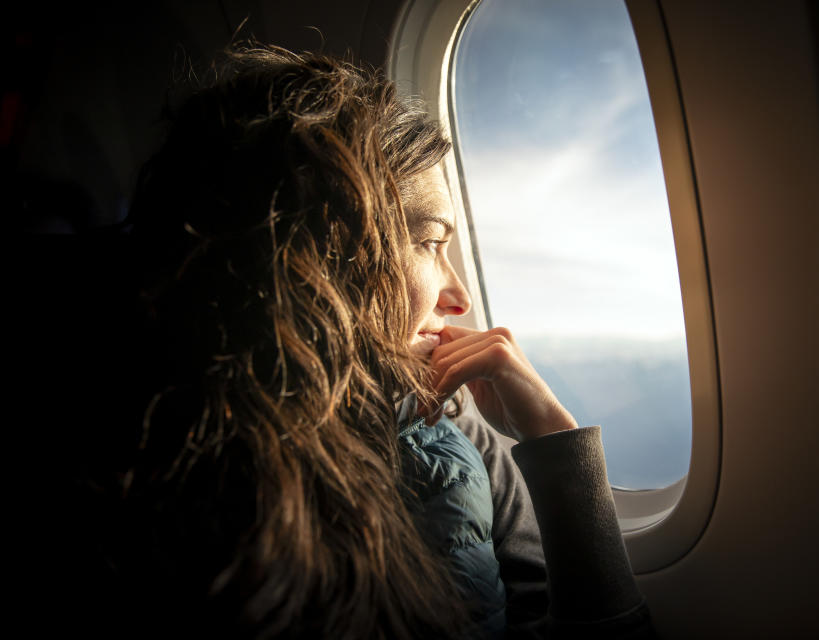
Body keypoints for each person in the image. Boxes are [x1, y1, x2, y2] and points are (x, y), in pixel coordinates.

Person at [113, 43, 654, 639]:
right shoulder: (157, 472)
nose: (460, 298)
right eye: (429, 242)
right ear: (317, 253)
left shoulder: (458, 429)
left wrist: (554, 440)